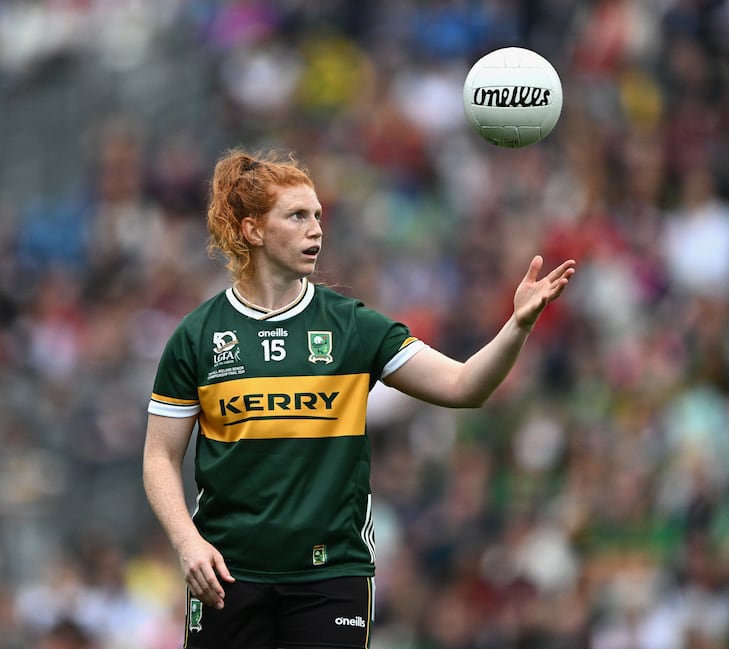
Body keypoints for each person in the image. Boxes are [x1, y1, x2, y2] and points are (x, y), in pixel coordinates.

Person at [142, 147, 576, 649]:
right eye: (298, 216)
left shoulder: (352, 326)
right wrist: (187, 542)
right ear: (252, 230)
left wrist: (517, 325)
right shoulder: (197, 336)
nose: (316, 229)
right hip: (227, 576)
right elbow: (159, 456)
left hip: (332, 577)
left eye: (319, 216)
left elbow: (464, 387)